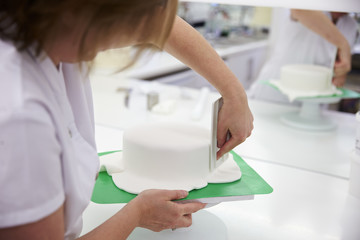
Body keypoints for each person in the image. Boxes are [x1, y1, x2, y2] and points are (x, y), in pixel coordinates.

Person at [0, 1, 253, 239]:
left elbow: (159, 25)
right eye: (120, 22)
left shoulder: (55, 33)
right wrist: (137, 214)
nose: (131, 33)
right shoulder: (20, 114)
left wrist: (234, 95)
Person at [248, 9, 359, 103]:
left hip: (314, 102)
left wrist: (340, 72)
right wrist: (343, 44)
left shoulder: (351, 25)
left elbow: (341, 66)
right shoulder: (309, 8)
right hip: (274, 96)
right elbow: (298, 10)